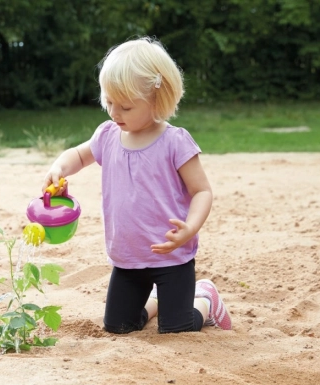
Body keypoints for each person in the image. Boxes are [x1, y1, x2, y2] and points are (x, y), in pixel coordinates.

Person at [42, 36, 232, 333]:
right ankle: (155, 303)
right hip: (128, 257)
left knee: (178, 328)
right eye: (109, 102)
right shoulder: (107, 135)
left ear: (157, 99)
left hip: (172, 256)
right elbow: (79, 155)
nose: (115, 113)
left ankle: (207, 301)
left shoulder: (174, 142)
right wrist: (59, 168)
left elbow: (202, 191)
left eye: (126, 107)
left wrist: (190, 228)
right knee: (118, 325)